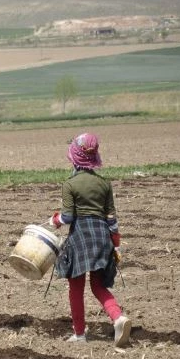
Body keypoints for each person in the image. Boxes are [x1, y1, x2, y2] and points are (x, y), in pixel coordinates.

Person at [49, 132, 131, 346]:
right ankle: (118, 317)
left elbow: (67, 217)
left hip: (81, 239)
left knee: (76, 287)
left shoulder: (70, 184)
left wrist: (54, 220)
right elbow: (112, 219)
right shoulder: (104, 184)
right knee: (98, 285)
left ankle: (79, 334)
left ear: (75, 156)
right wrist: (115, 245)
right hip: (102, 238)